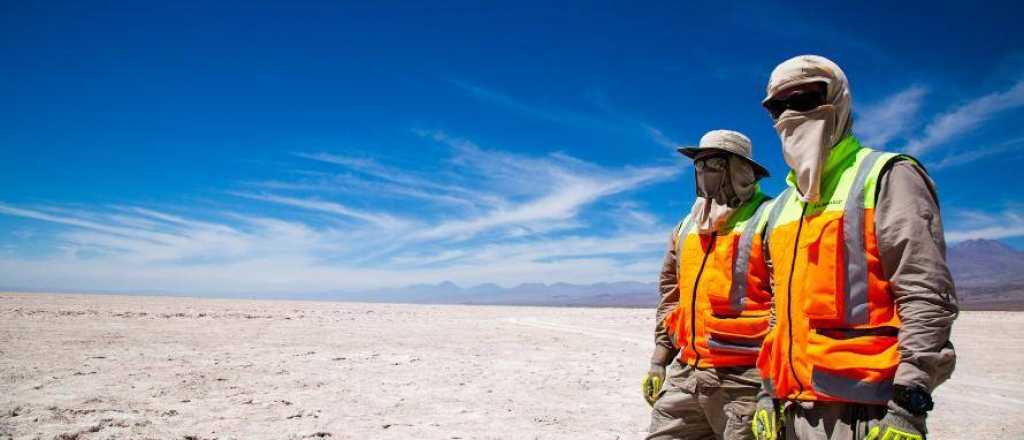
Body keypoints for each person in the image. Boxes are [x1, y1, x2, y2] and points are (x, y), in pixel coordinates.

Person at [750, 55, 958, 440]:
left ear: (838, 101)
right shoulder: (782, 207)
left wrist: (907, 406)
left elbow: (926, 295)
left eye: (806, 99)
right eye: (778, 107)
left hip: (869, 415)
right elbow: (779, 311)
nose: (789, 114)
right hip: (791, 409)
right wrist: (768, 392)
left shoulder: (886, 176)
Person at [643, 129, 774, 440]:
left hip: (745, 382)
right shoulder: (686, 227)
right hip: (687, 373)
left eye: (713, 164)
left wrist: (771, 390)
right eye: (698, 165)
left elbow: (786, 304)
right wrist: (659, 359)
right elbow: (671, 296)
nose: (703, 173)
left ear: (739, 169)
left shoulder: (770, 218)